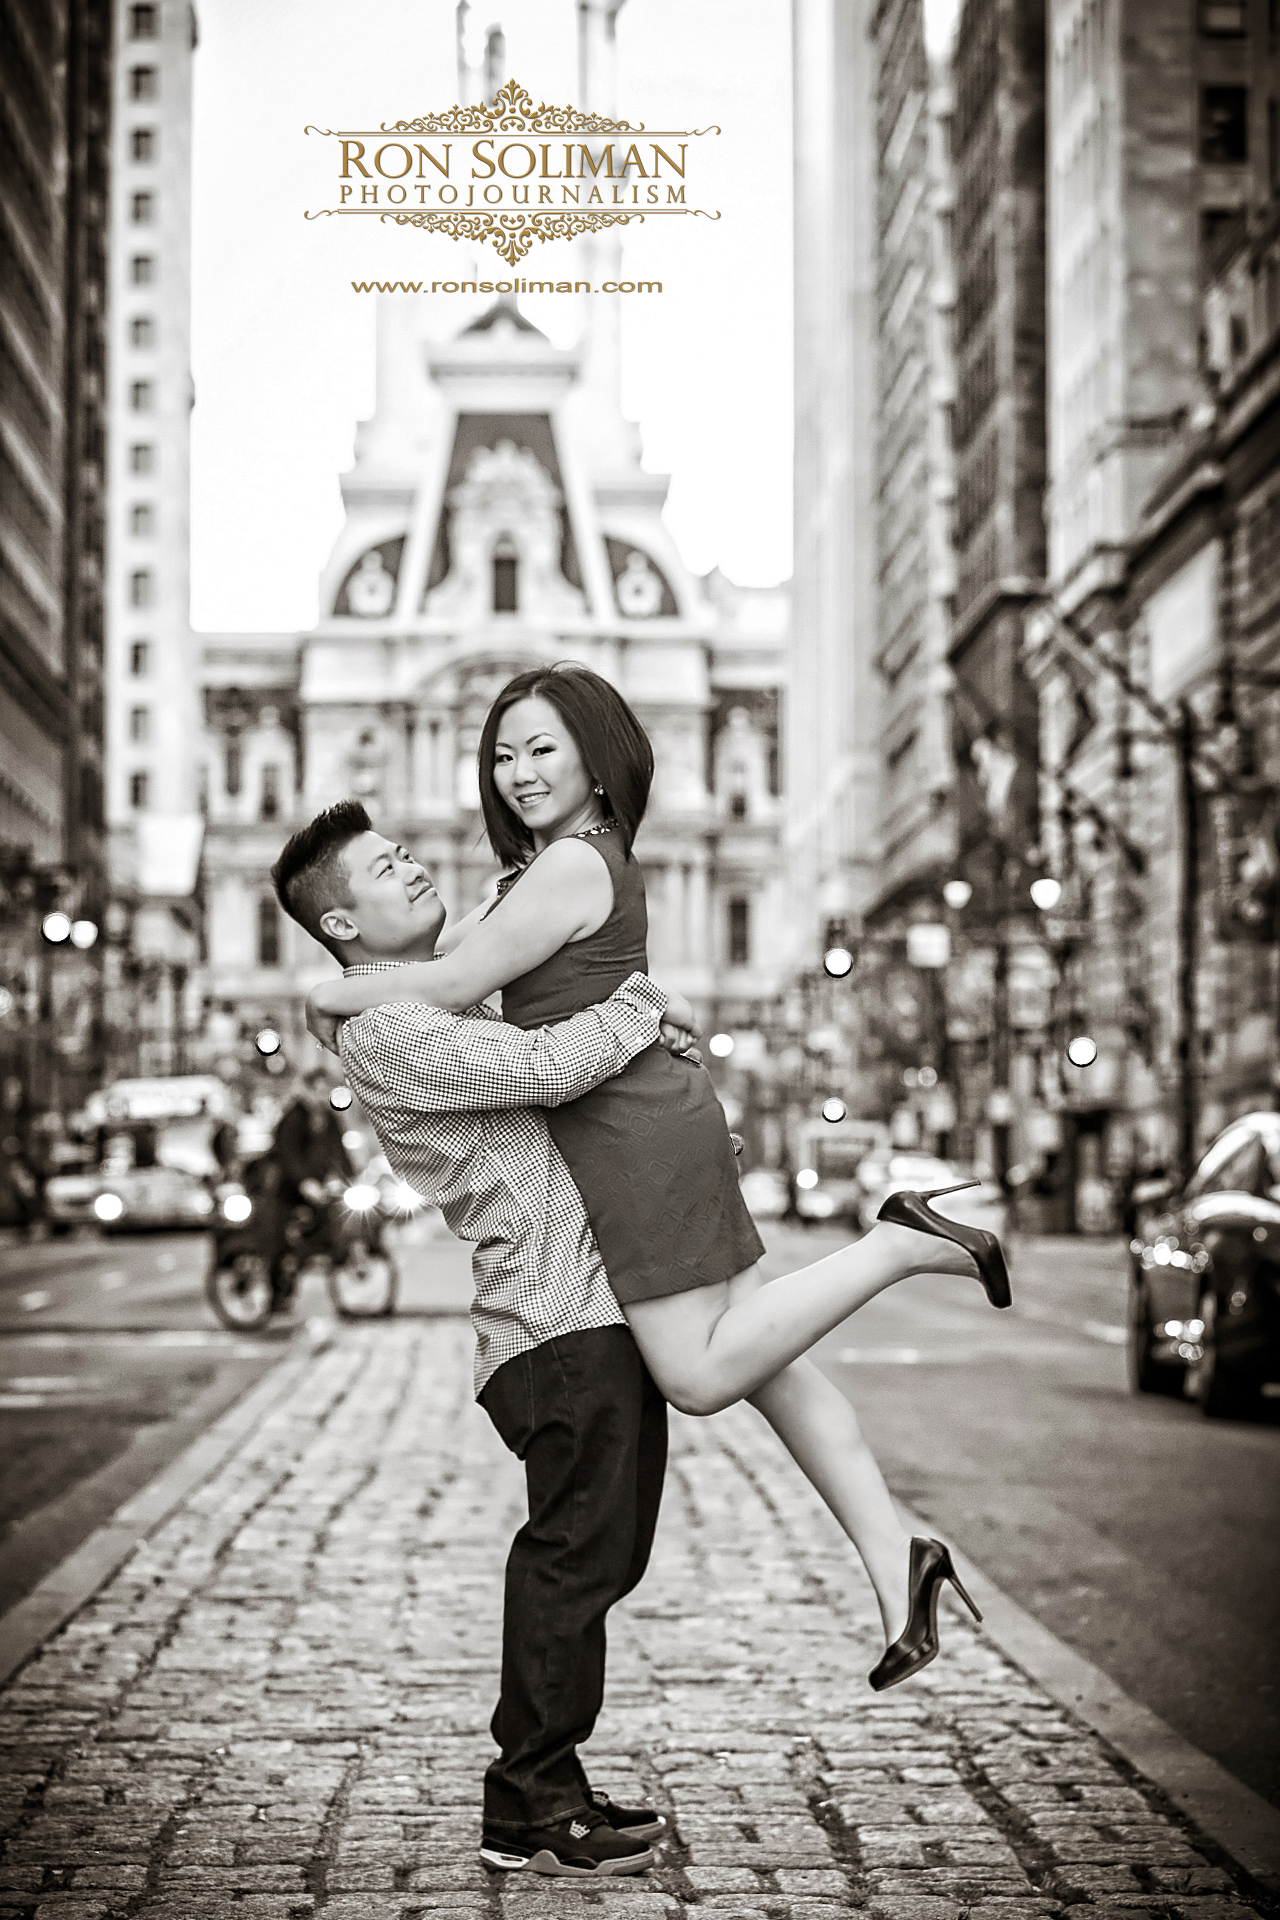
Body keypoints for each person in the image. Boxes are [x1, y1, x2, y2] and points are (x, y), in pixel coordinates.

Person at [304, 667, 1009, 1689]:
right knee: (775, 1373)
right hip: (646, 1118)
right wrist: (644, 998)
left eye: (542, 748)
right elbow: (497, 984)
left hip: (628, 1134)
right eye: (502, 754)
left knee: (696, 1373)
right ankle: (897, 1559)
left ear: (598, 756)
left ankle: (900, 1239)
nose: (517, 772)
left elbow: (454, 984)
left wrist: (328, 990)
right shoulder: (553, 870)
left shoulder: (567, 868)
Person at [272, 806, 699, 1879]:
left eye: (404, 852)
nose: (411, 867)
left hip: (577, 1313)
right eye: (383, 867)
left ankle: (542, 1779)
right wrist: (644, 1000)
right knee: (574, 1554)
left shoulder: (425, 991)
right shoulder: (392, 1029)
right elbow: (555, 1067)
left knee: (602, 1550)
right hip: (551, 1322)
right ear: (340, 917)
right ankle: (530, 1802)